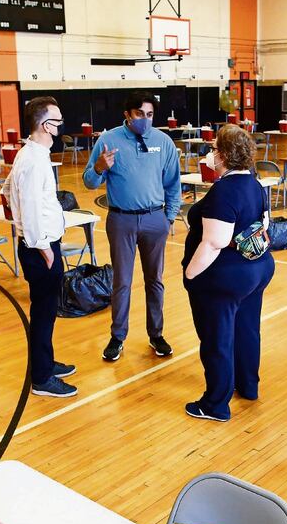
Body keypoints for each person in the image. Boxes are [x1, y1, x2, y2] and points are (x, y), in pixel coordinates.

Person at [182, 124, 275, 422]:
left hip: (225, 278)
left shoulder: (224, 190)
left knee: (216, 338)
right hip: (257, 270)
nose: (210, 154)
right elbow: (265, 226)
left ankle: (215, 404)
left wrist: (191, 274)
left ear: (223, 155)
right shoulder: (255, 184)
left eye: (213, 150)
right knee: (247, 329)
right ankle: (248, 385)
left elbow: (214, 242)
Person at [83, 91, 182, 361]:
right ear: (127, 114)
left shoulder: (163, 142)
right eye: (140, 114)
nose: (145, 120)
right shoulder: (108, 140)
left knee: (155, 281)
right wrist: (100, 167)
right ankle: (117, 337)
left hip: (155, 219)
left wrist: (169, 217)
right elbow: (89, 182)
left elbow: (173, 184)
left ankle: (156, 335)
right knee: (122, 282)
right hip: (121, 219)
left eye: (150, 115)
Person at [1, 96, 77, 397]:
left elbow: (6, 191)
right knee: (44, 312)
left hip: (38, 245)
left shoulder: (31, 154)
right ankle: (42, 378)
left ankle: (45, 363)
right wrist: (43, 247)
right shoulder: (33, 161)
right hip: (40, 250)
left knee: (45, 312)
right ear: (46, 125)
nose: (60, 124)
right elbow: (30, 207)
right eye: (57, 119)